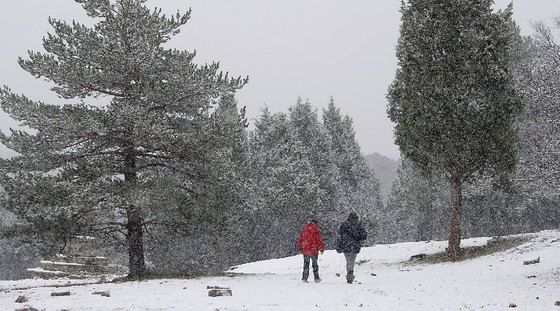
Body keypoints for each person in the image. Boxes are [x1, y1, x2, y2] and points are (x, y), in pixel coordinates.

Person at [336, 212, 367, 284]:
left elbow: (339, 235)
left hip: (345, 245)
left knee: (348, 259)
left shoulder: (344, 225)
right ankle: (350, 272)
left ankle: (349, 272)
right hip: (355, 245)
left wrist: (338, 245)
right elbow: (364, 236)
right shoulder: (359, 225)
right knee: (352, 259)